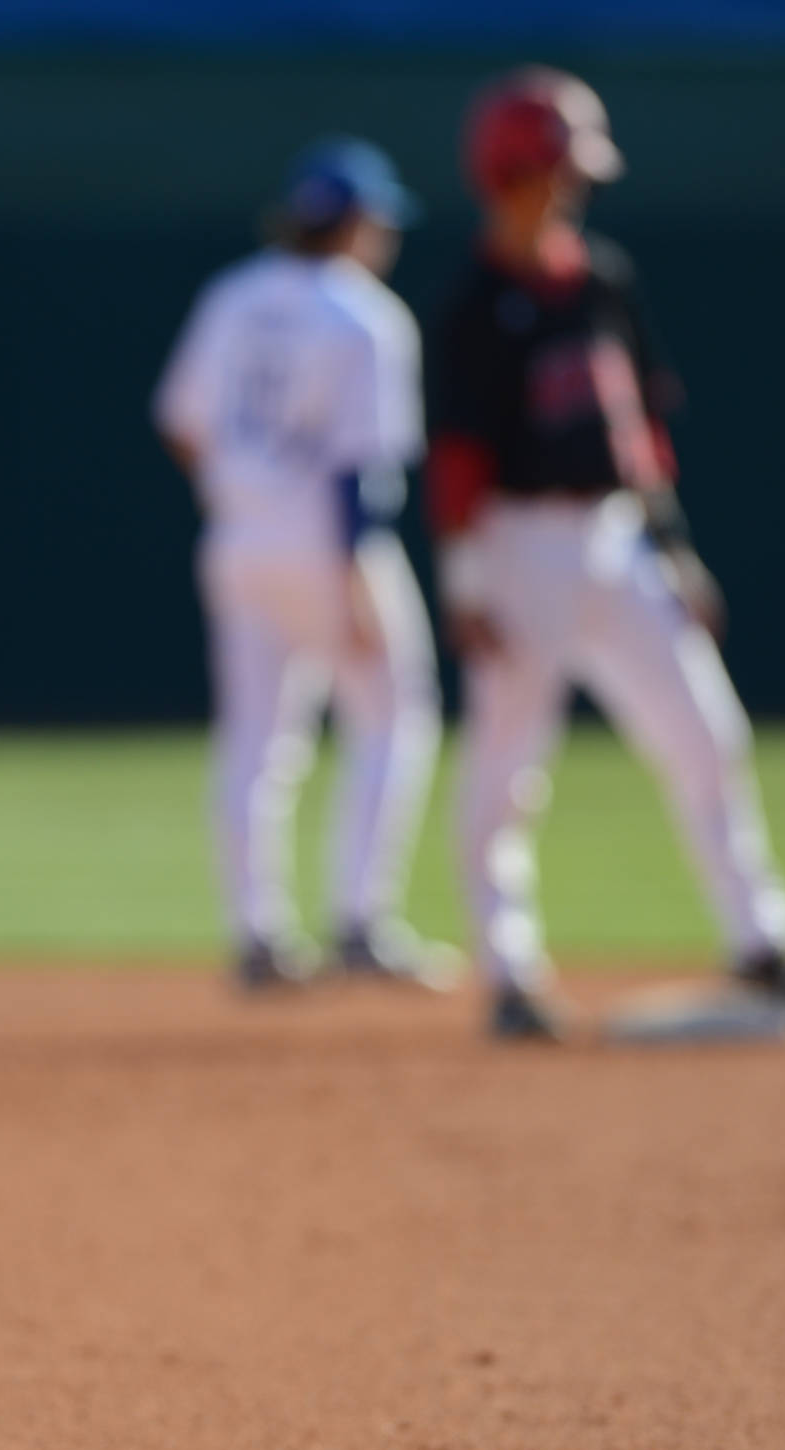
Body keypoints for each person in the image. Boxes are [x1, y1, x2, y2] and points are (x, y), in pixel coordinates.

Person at [430, 69, 785, 1040]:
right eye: (555, 165)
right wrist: (462, 582)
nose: (574, 184)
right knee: (507, 761)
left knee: (707, 735)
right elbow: (457, 459)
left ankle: (762, 944)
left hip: (614, 535)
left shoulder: (602, 279)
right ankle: (507, 974)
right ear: (505, 171)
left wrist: (673, 548)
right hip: (515, 542)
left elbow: (639, 434)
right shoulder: (472, 304)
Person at [155, 138, 458, 992]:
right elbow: (366, 472)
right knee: (394, 718)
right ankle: (361, 923)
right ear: (355, 222)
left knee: (256, 745)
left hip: (240, 541)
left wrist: (234, 486)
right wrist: (358, 582)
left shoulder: (234, 294)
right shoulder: (367, 314)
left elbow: (181, 420)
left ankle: (258, 938)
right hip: (330, 546)